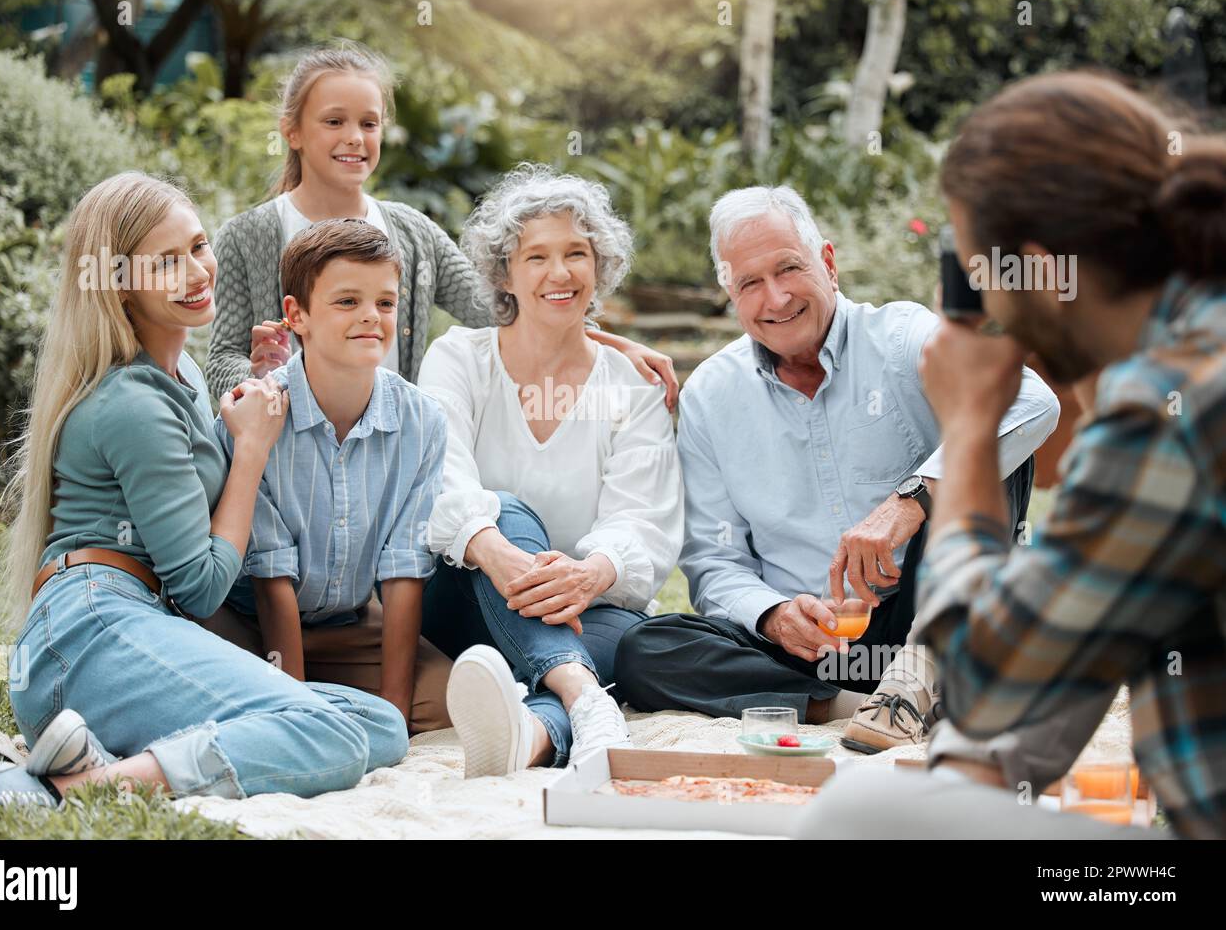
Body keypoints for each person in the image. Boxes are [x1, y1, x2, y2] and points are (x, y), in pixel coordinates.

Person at [795, 70, 1224, 839]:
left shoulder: (1167, 414)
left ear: (1032, 264)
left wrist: (964, 434)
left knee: (861, 814)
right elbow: (1059, 661)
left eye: (976, 272)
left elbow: (989, 685)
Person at [0, 173, 408, 813]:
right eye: (167, 262)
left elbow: (197, 496)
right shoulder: (130, 402)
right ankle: (73, 789)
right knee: (328, 732)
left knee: (378, 724)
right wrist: (251, 449)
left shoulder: (185, 374)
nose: (197, 271)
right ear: (120, 283)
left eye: (198, 246)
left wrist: (264, 384)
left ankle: (101, 761)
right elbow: (200, 584)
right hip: (89, 632)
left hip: (138, 621)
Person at [614, 185, 1059, 754]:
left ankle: (919, 676)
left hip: (930, 609)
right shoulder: (710, 396)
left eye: (788, 269)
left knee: (995, 444)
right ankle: (860, 707)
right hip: (814, 648)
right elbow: (714, 562)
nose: (775, 298)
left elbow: (1032, 402)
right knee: (646, 649)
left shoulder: (902, 336)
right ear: (730, 294)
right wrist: (774, 616)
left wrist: (909, 501)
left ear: (827, 263)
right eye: (750, 283)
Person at [205, 43, 680, 408]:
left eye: (369, 124)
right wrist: (254, 375)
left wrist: (615, 347)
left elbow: (508, 309)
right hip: (286, 461)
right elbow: (222, 356)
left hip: (389, 462)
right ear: (292, 131)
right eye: (334, 121)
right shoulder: (250, 237)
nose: (354, 138)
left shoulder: (413, 234)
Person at [417, 165, 684, 776]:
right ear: (504, 273)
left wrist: (589, 574)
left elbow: (642, 521)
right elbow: (440, 478)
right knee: (503, 508)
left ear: (601, 267)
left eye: (576, 254)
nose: (559, 273)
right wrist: (496, 553)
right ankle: (588, 698)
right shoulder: (458, 358)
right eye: (536, 256)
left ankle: (535, 732)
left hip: (586, 608)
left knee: (629, 641)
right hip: (463, 597)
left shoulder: (633, 386)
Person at [200, 218, 453, 733]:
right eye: (347, 302)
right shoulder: (258, 414)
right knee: (219, 692)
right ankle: (301, 704)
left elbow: (403, 573)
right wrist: (296, 712)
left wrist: (394, 711)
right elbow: (271, 577)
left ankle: (344, 703)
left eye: (385, 303)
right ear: (297, 315)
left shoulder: (422, 421)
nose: (371, 317)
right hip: (246, 623)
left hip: (349, 626)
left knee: (448, 703)